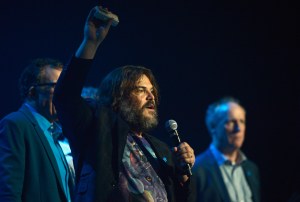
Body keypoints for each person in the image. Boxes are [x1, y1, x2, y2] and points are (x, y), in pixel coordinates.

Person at [53, 6, 196, 202]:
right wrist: (91, 43)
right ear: (117, 97)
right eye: (141, 90)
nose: (151, 96)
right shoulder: (97, 127)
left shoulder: (160, 149)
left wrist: (182, 175)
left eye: (152, 91)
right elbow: (64, 96)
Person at [0, 58, 73, 202]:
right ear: (33, 92)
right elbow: (9, 191)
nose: (63, 94)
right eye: (56, 87)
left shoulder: (54, 131)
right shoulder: (15, 124)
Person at [192, 97, 261, 202]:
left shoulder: (251, 168)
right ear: (213, 127)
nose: (239, 129)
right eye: (232, 122)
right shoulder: (197, 170)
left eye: (242, 121)